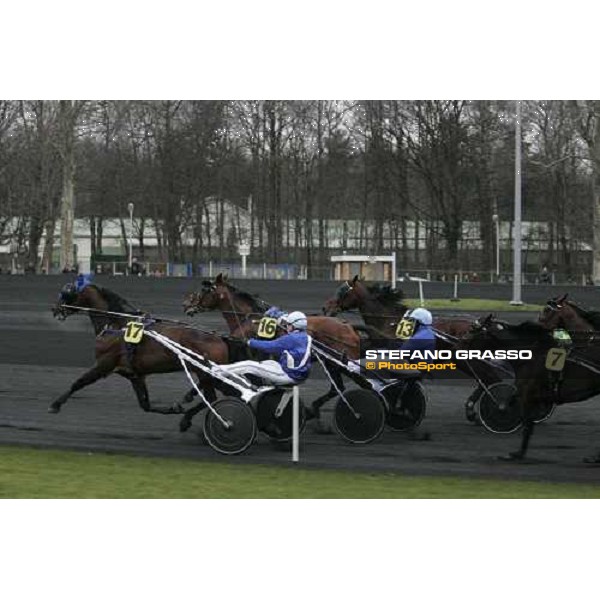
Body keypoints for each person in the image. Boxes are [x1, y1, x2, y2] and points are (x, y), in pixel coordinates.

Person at [217, 311, 312, 387]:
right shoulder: (306, 337)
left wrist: (249, 342)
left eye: (288, 324)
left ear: (294, 326)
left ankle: (217, 371)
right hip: (297, 373)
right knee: (267, 363)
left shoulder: (291, 338)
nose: (286, 326)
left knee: (249, 365)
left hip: (289, 375)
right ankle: (256, 383)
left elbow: (269, 346)